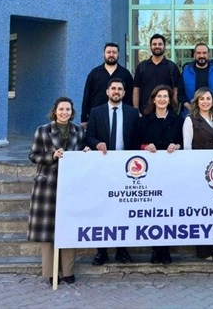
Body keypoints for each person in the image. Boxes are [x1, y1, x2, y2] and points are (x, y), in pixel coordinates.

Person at [27, 97, 87, 286]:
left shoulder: (79, 131)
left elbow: (81, 154)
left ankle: (68, 271)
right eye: (61, 109)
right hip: (47, 186)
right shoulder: (42, 130)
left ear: (72, 112)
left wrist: (85, 152)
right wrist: (51, 156)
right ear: (55, 111)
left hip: (71, 186)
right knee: (48, 231)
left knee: (69, 227)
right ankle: (51, 272)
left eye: (68, 109)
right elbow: (33, 155)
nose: (64, 112)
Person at [85, 78, 140, 266]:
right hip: (104, 168)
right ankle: (101, 251)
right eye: (113, 88)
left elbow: (137, 139)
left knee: (123, 210)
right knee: (103, 209)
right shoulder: (96, 112)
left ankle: (121, 250)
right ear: (107, 91)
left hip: (126, 169)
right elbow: (89, 136)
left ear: (124, 93)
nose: (116, 91)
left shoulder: (132, 113)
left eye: (120, 89)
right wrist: (96, 144)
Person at [138, 85, 183, 264]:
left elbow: (183, 143)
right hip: (151, 173)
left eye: (165, 96)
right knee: (154, 211)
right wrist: (145, 147)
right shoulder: (144, 120)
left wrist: (177, 146)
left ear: (169, 100)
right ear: (154, 99)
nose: (162, 99)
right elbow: (136, 142)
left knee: (169, 210)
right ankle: (155, 249)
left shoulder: (178, 120)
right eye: (159, 96)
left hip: (171, 172)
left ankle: (165, 250)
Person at [182, 87, 213, 260]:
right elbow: (187, 147)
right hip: (198, 170)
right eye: (202, 99)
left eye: (208, 98)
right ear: (196, 102)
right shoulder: (190, 120)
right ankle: (203, 249)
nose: (205, 102)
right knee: (201, 210)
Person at [81, 42, 134, 126]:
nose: (111, 55)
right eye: (109, 52)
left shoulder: (125, 74)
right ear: (104, 54)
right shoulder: (94, 73)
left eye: (114, 52)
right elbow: (87, 96)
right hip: (97, 116)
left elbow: (129, 96)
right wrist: (84, 118)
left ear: (118, 54)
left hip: (119, 116)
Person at [133, 34, 181, 114]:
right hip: (145, 112)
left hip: (166, 111)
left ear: (164, 46)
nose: (157, 46)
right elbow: (136, 89)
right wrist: (136, 110)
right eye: (154, 44)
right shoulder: (142, 67)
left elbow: (176, 89)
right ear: (150, 46)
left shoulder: (172, 67)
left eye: (160, 44)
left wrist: (174, 107)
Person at [177, 42, 213, 118]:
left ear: (208, 55)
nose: (201, 56)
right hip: (190, 115)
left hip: (212, 116)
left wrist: (212, 108)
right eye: (198, 53)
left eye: (204, 53)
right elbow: (180, 94)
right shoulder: (186, 71)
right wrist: (191, 109)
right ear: (194, 55)